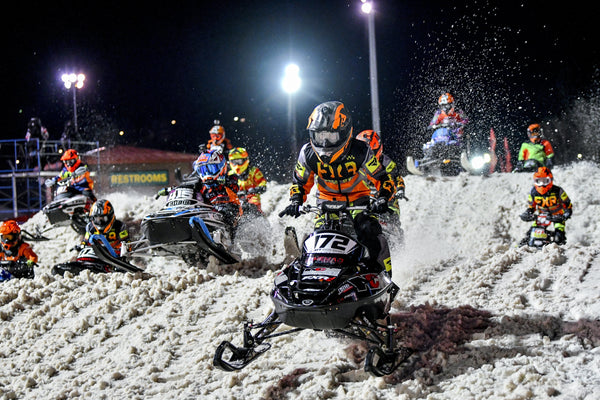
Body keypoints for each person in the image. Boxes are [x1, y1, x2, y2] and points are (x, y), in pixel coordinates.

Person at [280, 101, 396, 275]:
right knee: (317, 240)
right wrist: (296, 200)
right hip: (326, 205)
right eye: (319, 136)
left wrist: (383, 197)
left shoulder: (360, 150)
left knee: (371, 233)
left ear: (344, 133)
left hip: (358, 204)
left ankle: (384, 278)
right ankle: (312, 276)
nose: (325, 142)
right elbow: (299, 182)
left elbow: (382, 177)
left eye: (331, 136)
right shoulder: (308, 154)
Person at [53, 199, 131, 275]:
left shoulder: (119, 226)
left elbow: (126, 242)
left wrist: (123, 252)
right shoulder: (90, 227)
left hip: (111, 258)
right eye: (96, 219)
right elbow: (86, 240)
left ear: (110, 216)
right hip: (92, 256)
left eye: (103, 219)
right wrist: (82, 245)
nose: (100, 222)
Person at [519, 167, 572, 246]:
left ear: (550, 180)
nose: (542, 184)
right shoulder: (533, 192)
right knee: (530, 235)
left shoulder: (558, 191)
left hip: (557, 216)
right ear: (535, 181)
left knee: (559, 237)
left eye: (545, 181)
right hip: (542, 217)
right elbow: (531, 208)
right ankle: (521, 248)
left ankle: (559, 249)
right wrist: (527, 214)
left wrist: (564, 216)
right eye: (539, 181)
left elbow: (568, 206)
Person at [228, 147, 268, 214]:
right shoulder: (230, 174)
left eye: (239, 161)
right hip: (236, 200)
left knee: (253, 207)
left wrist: (255, 189)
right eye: (234, 162)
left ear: (245, 160)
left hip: (251, 198)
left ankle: (260, 218)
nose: (237, 165)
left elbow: (263, 184)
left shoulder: (254, 171)